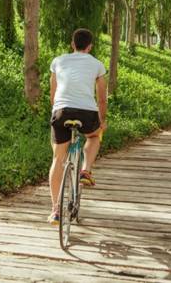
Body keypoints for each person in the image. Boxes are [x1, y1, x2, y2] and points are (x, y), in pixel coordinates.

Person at [48, 28, 108, 225]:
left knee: (58, 159)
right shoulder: (97, 65)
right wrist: (101, 121)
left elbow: (53, 93)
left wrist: (56, 113)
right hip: (86, 112)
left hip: (61, 112)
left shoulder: (57, 61)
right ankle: (85, 170)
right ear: (90, 47)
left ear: (72, 44)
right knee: (93, 136)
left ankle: (55, 210)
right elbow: (101, 99)